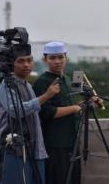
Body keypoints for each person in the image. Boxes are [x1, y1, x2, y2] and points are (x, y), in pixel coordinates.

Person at [0, 54, 60, 184]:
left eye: (29, 60)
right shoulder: (5, 84)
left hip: (34, 148)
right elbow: (16, 111)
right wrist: (46, 96)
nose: (26, 65)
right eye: (21, 61)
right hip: (15, 150)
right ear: (11, 65)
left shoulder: (28, 85)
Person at [32, 41, 83, 184]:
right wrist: (74, 108)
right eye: (52, 58)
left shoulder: (67, 79)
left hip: (72, 140)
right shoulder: (42, 82)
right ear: (45, 59)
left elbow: (72, 104)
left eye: (60, 57)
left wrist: (87, 104)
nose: (57, 61)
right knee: (59, 179)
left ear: (66, 57)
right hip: (55, 143)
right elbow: (47, 112)